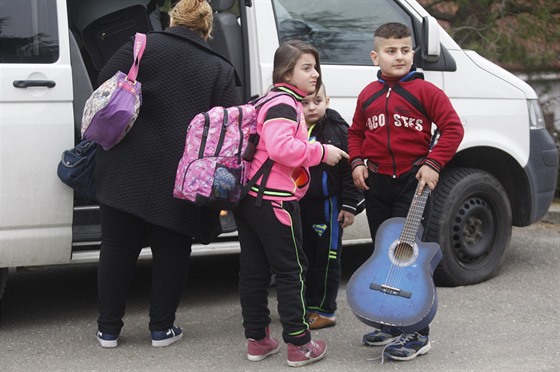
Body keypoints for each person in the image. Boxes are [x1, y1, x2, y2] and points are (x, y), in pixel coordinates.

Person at [94, 0, 240, 348]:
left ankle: (108, 330)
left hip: (124, 163)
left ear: (173, 18)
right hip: (181, 173)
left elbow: (103, 82)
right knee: (172, 250)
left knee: (116, 246)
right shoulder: (219, 68)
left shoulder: (140, 44)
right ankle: (161, 329)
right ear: (207, 27)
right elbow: (227, 125)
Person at [347, 22, 464, 361]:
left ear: (412, 52)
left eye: (404, 50)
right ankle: (388, 320)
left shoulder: (426, 92)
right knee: (382, 254)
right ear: (375, 56)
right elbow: (355, 133)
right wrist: (356, 162)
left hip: (414, 184)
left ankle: (417, 333)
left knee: (406, 256)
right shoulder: (368, 94)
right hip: (377, 183)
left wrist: (434, 162)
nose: (399, 57)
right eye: (390, 51)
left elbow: (452, 129)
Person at [233, 40, 348, 367]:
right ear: (286, 72)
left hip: (250, 197)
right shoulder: (284, 103)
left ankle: (258, 341)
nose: (315, 74)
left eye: (315, 67)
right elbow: (282, 148)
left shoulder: (269, 99)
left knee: (253, 272)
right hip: (274, 201)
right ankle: (300, 345)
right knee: (292, 272)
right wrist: (323, 152)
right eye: (306, 68)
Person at [300, 84, 364, 330]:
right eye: (305, 103)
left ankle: (326, 310)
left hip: (329, 206)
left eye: (317, 101)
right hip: (299, 205)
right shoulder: (294, 129)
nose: (311, 107)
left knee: (326, 259)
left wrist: (349, 205)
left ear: (327, 100)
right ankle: (307, 306)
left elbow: (352, 170)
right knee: (302, 257)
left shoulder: (337, 130)